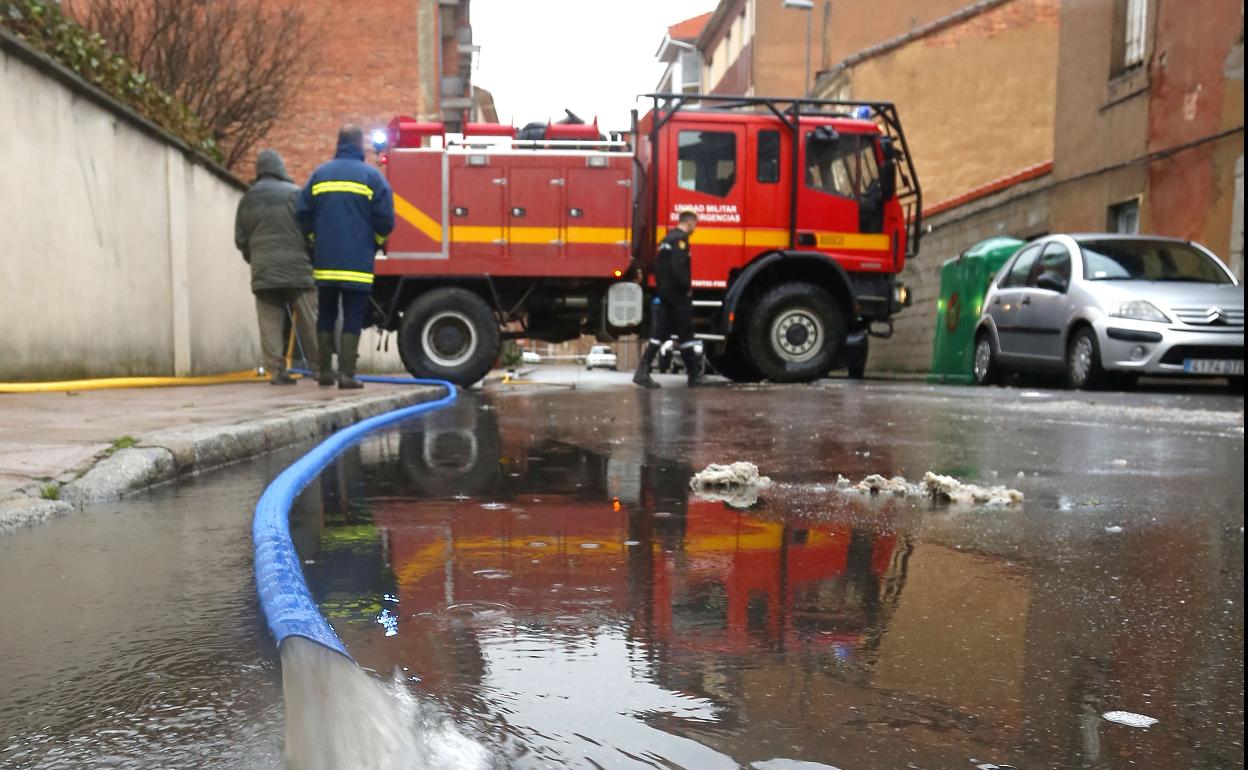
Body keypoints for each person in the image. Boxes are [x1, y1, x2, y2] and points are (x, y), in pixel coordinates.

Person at [296, 125, 395, 389]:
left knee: (325, 314)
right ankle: (347, 375)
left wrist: (315, 243)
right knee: (353, 316)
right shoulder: (371, 178)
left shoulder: (320, 175)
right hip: (357, 263)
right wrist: (373, 243)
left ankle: (325, 373)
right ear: (359, 145)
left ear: (338, 143)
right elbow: (386, 219)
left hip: (325, 263)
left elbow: (302, 214)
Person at [234, 149, 319, 385]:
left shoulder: (247, 199)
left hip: (263, 271)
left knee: (269, 322)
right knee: (310, 319)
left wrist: (256, 259)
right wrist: (311, 255)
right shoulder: (296, 194)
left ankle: (276, 371)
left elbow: (240, 240)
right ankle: (320, 369)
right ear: (280, 167)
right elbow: (311, 231)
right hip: (298, 269)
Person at [633, 210, 704, 388]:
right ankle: (694, 377)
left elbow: (658, 267)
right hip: (677, 294)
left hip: (664, 293)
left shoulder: (666, 240)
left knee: (660, 333)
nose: (695, 228)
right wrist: (686, 288)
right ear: (689, 222)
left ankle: (642, 371)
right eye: (695, 224)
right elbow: (678, 267)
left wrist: (662, 287)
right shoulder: (680, 240)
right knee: (686, 333)